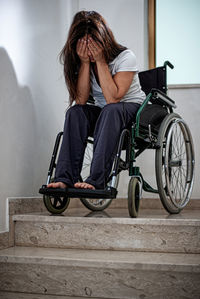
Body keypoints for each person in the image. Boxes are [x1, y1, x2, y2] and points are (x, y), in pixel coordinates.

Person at [48, 10, 146, 190]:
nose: (89, 49)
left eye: (92, 44)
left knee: (111, 109)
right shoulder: (81, 61)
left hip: (132, 112)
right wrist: (85, 63)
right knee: (75, 112)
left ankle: (97, 180)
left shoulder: (125, 57)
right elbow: (81, 99)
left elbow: (113, 98)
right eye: (83, 44)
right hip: (106, 113)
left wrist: (100, 61)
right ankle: (65, 178)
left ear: (103, 40)